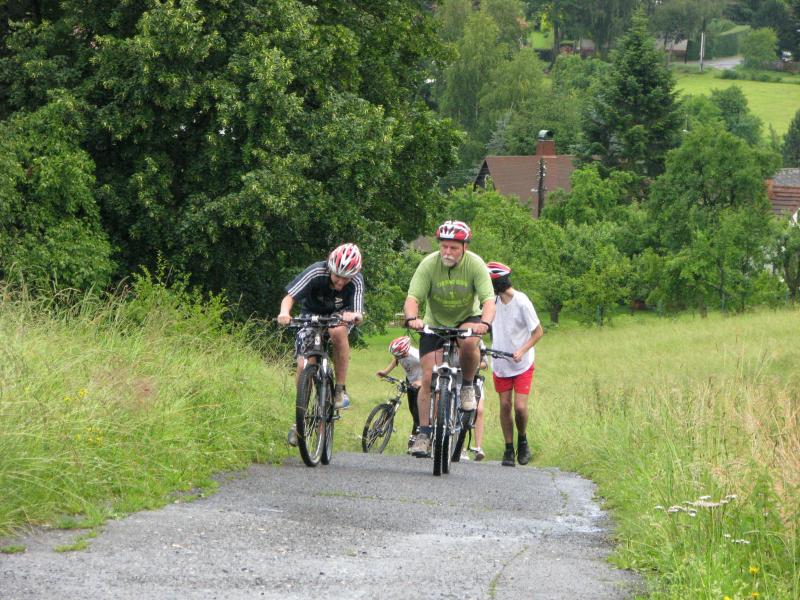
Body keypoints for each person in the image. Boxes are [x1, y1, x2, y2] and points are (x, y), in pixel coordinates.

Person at [404, 220, 495, 458]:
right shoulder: (428, 264)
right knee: (427, 377)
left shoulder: (475, 265)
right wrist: (412, 317)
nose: (447, 252)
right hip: (435, 323)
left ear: (464, 247)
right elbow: (413, 297)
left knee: (470, 341)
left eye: (453, 247)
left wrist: (485, 323)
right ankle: (424, 434)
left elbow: (488, 300)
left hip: (467, 318)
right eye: (444, 246)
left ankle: (467, 386)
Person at [278, 243, 364, 445]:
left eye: (346, 278)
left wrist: (355, 316)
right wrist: (284, 313)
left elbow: (359, 312)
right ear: (330, 267)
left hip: (340, 317)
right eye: (337, 276)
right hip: (311, 316)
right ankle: (299, 419)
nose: (341, 282)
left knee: (338, 331)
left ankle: (340, 389)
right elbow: (290, 297)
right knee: (304, 364)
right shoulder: (316, 271)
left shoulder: (357, 280)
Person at [486, 261, 543, 466]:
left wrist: (522, 350)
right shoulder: (492, 302)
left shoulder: (521, 301)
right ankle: (509, 448)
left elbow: (538, 332)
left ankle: (523, 440)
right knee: (504, 404)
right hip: (501, 363)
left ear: (497, 283)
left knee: (519, 407)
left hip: (522, 364)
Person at [376, 335, 422, 451]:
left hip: (423, 382)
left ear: (405, 351)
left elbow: (431, 369)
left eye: (398, 355)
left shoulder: (417, 356)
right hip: (411, 381)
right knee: (413, 410)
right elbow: (396, 360)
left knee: (418, 412)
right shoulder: (400, 354)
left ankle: (416, 438)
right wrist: (385, 372)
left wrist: (421, 382)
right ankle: (417, 434)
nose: (397, 357)